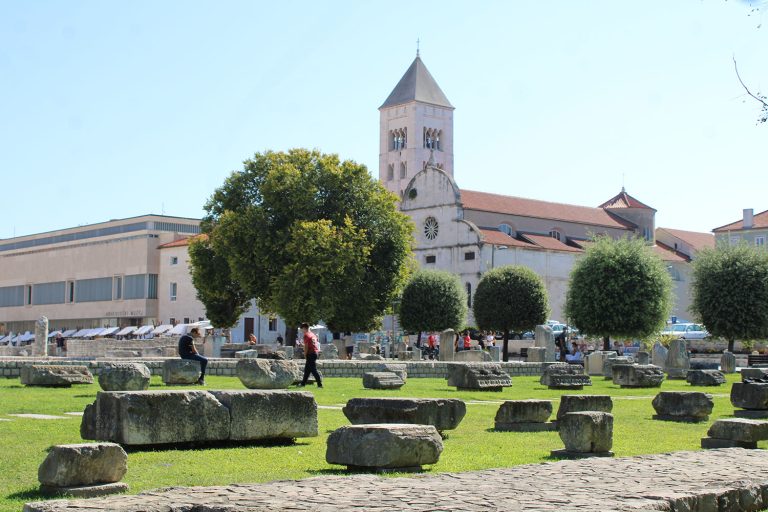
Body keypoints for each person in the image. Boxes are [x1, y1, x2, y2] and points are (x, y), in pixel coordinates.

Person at [299, 323, 323, 388]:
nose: (302, 331)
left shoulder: (306, 335)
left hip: (310, 353)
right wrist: (303, 346)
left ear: (304, 328)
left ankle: (320, 384)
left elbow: (306, 347)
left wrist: (305, 354)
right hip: (315, 352)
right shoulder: (313, 334)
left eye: (302, 329)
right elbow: (311, 344)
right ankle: (303, 383)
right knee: (307, 370)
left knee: (313, 369)